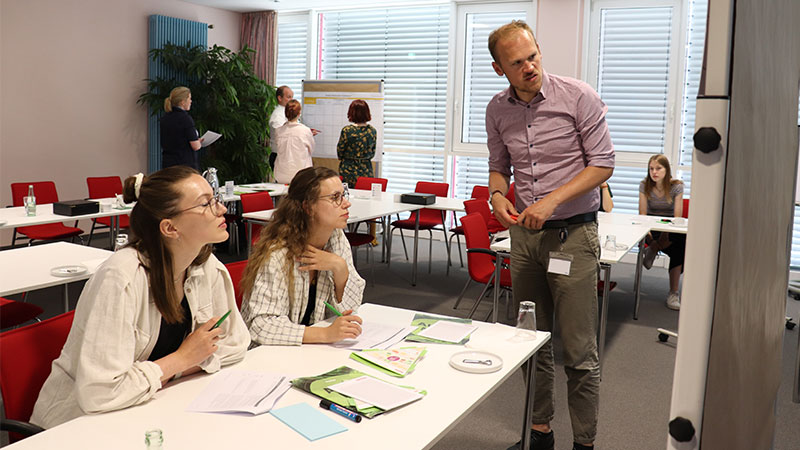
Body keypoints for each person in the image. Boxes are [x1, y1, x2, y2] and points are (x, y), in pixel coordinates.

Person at [30, 166, 250, 429]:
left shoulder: (206, 266)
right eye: (205, 204)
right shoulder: (121, 277)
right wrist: (181, 359)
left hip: (150, 408)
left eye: (215, 199)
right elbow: (99, 393)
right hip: (79, 426)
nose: (221, 209)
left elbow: (236, 343)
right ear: (170, 228)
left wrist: (176, 368)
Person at [485, 21, 615, 450]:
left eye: (533, 57)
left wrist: (552, 201)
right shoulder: (497, 109)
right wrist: (498, 194)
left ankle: (584, 444)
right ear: (499, 67)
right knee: (530, 340)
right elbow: (499, 165)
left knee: (579, 352)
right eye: (516, 62)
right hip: (525, 239)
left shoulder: (578, 96)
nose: (529, 67)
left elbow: (602, 164)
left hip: (573, 237)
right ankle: (539, 433)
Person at [240, 166, 365, 346]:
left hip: (308, 352)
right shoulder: (278, 254)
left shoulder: (336, 239)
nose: (346, 203)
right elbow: (262, 326)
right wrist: (324, 334)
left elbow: (349, 311)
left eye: (344, 195)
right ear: (308, 207)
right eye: (335, 198)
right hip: (269, 356)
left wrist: (340, 267)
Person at [639, 154, 685, 310]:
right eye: (651, 169)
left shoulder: (676, 186)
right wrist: (652, 240)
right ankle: (652, 247)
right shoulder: (644, 185)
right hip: (651, 229)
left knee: (680, 245)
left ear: (667, 170)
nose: (654, 172)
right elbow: (642, 216)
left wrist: (657, 243)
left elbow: (677, 217)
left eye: (658, 168)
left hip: (669, 230)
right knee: (640, 226)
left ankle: (673, 293)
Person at [337, 99, 377, 188]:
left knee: (348, 195)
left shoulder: (347, 130)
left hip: (348, 169)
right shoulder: (372, 131)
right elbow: (372, 152)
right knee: (365, 195)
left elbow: (340, 151)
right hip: (366, 169)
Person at [272, 99, 315, 184]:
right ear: (299, 113)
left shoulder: (278, 131)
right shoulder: (305, 130)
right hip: (301, 176)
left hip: (281, 176)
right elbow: (311, 149)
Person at [160, 86, 203, 170]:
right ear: (183, 102)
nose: (191, 101)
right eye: (189, 98)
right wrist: (199, 142)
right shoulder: (185, 119)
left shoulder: (165, 118)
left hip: (168, 163)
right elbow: (195, 146)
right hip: (185, 164)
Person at [268, 85, 294, 172]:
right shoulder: (277, 115)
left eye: (292, 97)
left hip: (286, 155)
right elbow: (281, 133)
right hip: (279, 155)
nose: (292, 100)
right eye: (288, 97)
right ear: (280, 98)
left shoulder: (286, 112)